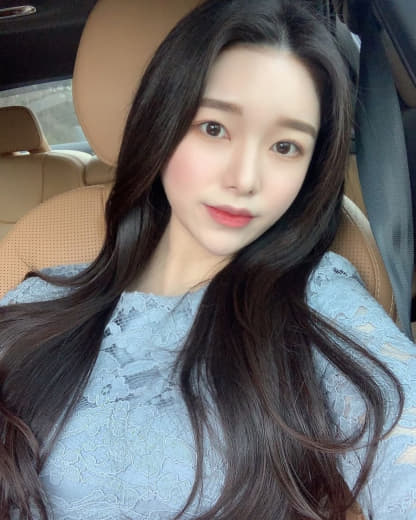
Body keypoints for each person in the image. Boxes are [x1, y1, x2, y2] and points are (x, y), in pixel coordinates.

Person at [0, 0, 415, 518]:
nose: (245, 179)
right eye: (214, 128)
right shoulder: (36, 297)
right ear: (162, 122)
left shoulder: (317, 300)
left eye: (285, 146)